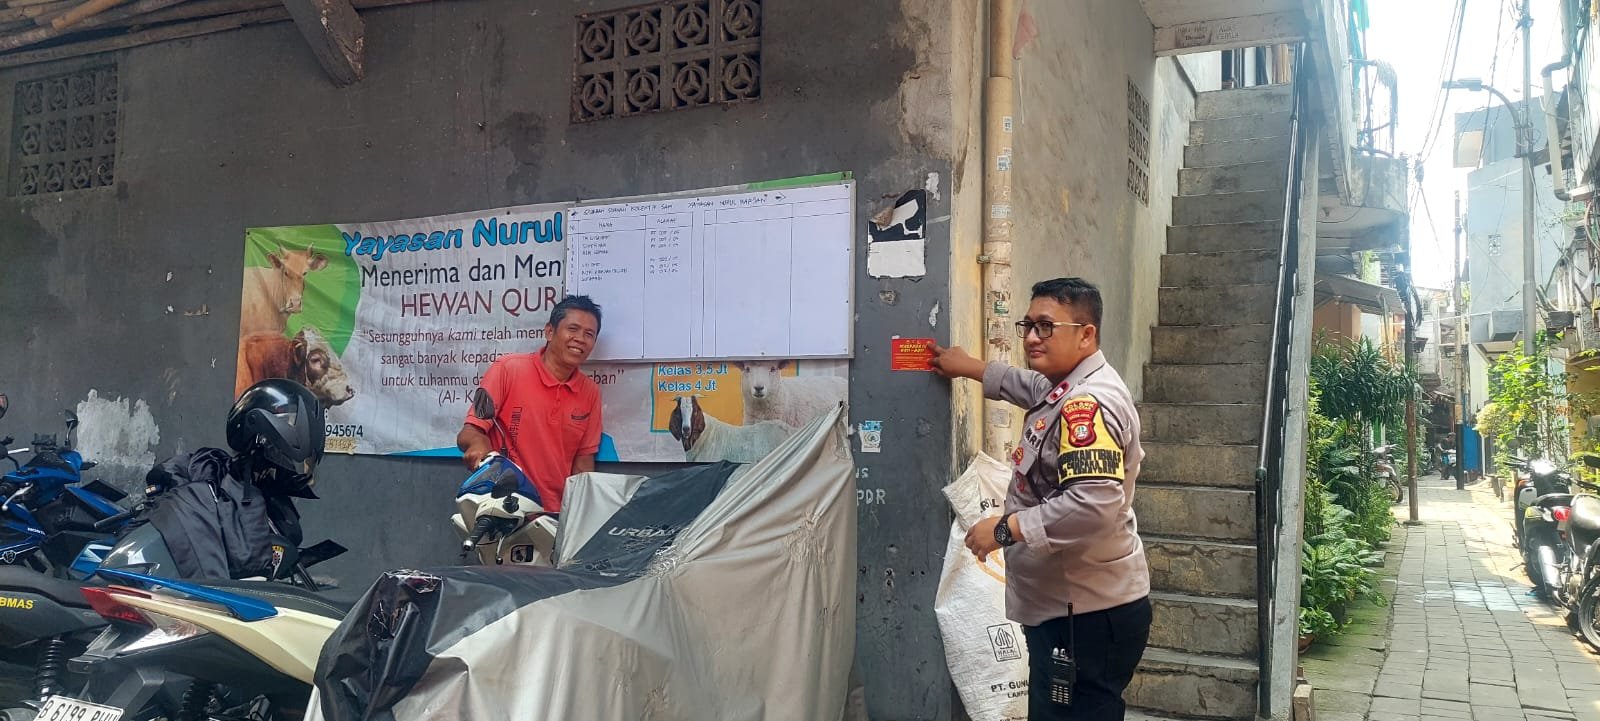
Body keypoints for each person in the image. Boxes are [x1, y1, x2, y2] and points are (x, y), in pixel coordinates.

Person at [930, 277, 1151, 721]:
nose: (1032, 337)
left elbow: (1093, 505)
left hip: (1085, 616)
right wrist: (968, 366)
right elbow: (1028, 386)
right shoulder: (1068, 385)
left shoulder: (1088, 404)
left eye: (1046, 326)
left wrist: (1003, 530)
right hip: (1071, 607)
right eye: (1028, 325)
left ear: (1086, 334)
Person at [456, 295, 604, 514]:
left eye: (589, 334)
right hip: (502, 507)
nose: (580, 339)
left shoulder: (590, 392)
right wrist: (478, 444)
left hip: (553, 515)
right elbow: (469, 432)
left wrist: (579, 516)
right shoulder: (508, 369)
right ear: (550, 331)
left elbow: (583, 463)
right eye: (573, 329)